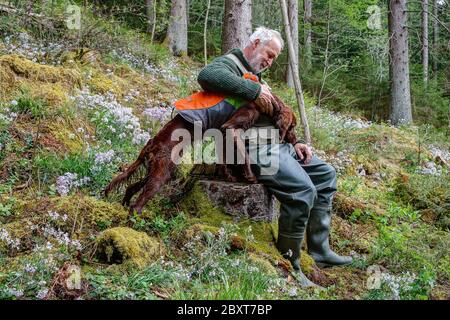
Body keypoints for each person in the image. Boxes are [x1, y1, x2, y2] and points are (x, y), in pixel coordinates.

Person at [191, 27, 353, 287]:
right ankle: (291, 264)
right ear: (255, 43)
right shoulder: (231, 63)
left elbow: (274, 114)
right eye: (269, 54)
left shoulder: (256, 76)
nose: (269, 61)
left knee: (325, 175)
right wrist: (254, 91)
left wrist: (296, 141)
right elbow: (206, 75)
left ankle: (320, 251)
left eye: (274, 58)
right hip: (248, 147)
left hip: (274, 143)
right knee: (302, 191)